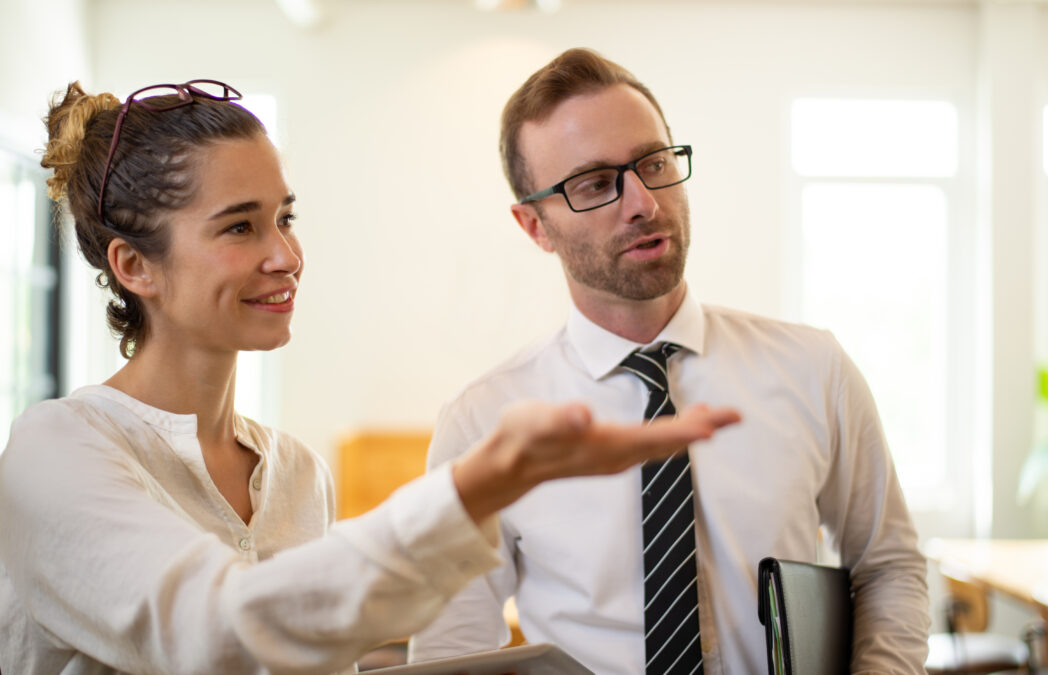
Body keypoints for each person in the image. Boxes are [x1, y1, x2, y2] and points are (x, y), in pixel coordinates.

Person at [0, 79, 742, 675]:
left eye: (284, 217)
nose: (285, 255)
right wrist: (472, 488)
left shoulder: (296, 475)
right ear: (135, 266)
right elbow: (218, 633)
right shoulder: (56, 451)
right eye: (238, 226)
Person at [408, 49, 931, 674]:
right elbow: (452, 645)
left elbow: (889, 565)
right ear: (534, 227)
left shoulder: (814, 370)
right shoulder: (483, 422)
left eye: (654, 164)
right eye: (596, 184)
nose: (644, 203)